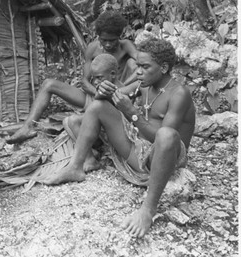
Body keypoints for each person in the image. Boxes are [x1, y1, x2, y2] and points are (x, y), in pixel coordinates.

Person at [44, 38, 196, 238]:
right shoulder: (145, 85)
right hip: (141, 150)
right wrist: (104, 92)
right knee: (98, 107)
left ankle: (147, 210)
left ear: (164, 67)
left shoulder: (179, 94)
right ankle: (76, 166)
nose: (138, 71)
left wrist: (132, 113)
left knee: (166, 134)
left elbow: (162, 140)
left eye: (144, 67)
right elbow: (105, 100)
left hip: (166, 158)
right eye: (138, 66)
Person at [6, 10, 139, 144]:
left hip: (117, 98)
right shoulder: (93, 49)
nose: (108, 44)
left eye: (112, 40)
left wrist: (121, 88)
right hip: (93, 97)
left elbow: (142, 66)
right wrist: (98, 93)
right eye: (104, 40)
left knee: (133, 63)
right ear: (98, 36)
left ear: (119, 36)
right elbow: (85, 82)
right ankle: (27, 127)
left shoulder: (126, 46)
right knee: (48, 84)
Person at [62, 53, 128, 173]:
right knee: (69, 121)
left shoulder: (118, 90)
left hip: (117, 135)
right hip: (102, 130)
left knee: (72, 121)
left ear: (113, 74)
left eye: (99, 77)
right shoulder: (104, 88)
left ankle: (92, 156)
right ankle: (90, 158)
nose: (96, 82)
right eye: (93, 78)